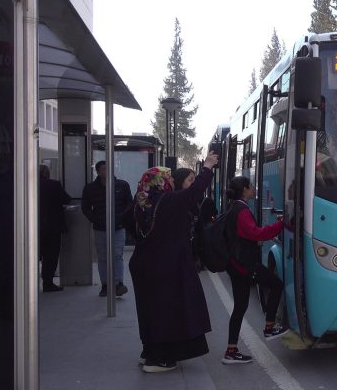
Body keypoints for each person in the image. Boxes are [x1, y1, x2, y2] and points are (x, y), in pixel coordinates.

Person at [129, 153, 218, 373]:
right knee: (166, 311)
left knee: (149, 311)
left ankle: (148, 351)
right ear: (162, 183)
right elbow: (194, 192)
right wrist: (207, 167)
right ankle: (159, 359)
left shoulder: (141, 203)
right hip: (164, 267)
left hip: (143, 264)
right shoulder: (166, 201)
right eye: (167, 179)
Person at [223, 176, 287, 364]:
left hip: (236, 264)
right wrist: (280, 225)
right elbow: (255, 233)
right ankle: (269, 328)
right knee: (276, 285)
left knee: (240, 307)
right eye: (251, 186)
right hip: (246, 265)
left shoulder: (234, 207)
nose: (254, 189)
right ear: (244, 189)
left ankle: (231, 351)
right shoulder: (242, 210)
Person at [80, 160, 134, 297]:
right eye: (104, 169)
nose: (107, 171)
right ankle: (105, 285)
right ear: (98, 171)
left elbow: (129, 203)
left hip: (118, 227)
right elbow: (85, 207)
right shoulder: (90, 188)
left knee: (117, 255)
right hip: (100, 228)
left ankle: (118, 284)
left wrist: (121, 217)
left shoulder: (122, 185)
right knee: (103, 257)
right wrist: (95, 219)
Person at [38, 165, 71, 292]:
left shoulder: (27, 184)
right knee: (50, 256)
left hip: (34, 227)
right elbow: (66, 199)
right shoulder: (54, 185)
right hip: (52, 227)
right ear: (47, 173)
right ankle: (47, 282)